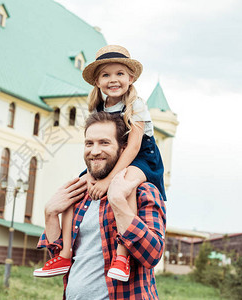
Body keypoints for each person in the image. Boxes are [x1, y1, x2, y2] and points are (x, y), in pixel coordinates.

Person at [33, 45, 166, 281]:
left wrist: (107, 180)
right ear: (97, 81)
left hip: (141, 157)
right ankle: (64, 254)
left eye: (119, 74)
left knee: (124, 187)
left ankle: (122, 256)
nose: (113, 80)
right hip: (117, 156)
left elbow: (133, 146)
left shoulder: (136, 104)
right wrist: (97, 177)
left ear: (130, 78)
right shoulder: (99, 107)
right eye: (106, 75)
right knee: (76, 187)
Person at [36, 112, 166, 299]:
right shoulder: (79, 195)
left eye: (104, 143)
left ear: (123, 149)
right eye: (89, 143)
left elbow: (152, 254)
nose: (95, 151)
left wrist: (119, 202)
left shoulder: (142, 191)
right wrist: (50, 214)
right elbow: (59, 256)